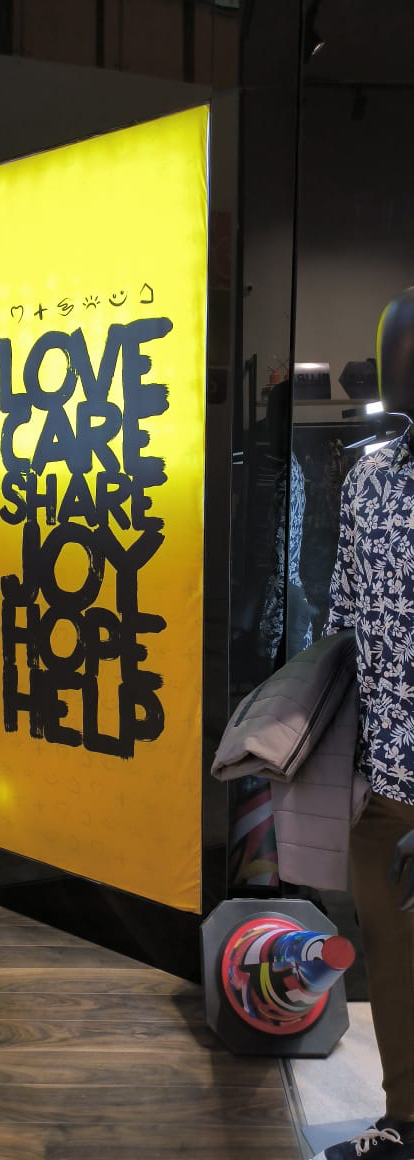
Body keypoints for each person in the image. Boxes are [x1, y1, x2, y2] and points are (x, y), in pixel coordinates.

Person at [313, 289, 414, 1160]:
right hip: (385, 781)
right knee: (393, 958)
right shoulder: (370, 477)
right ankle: (405, 1122)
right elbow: (345, 619)